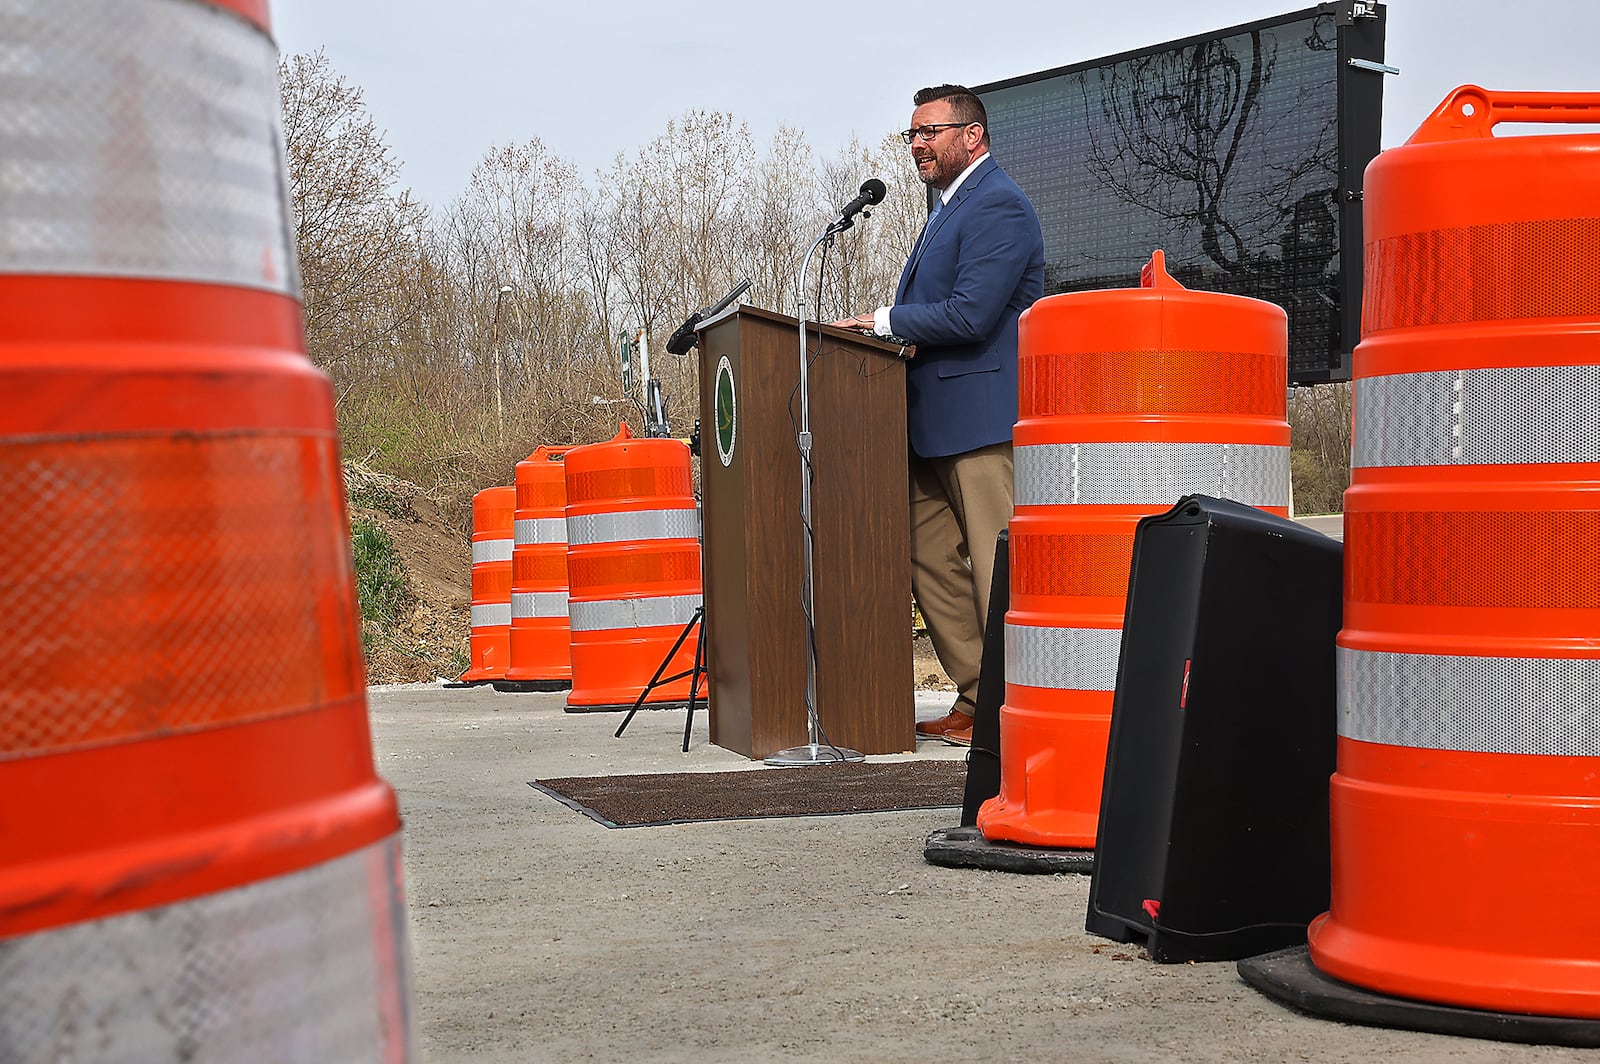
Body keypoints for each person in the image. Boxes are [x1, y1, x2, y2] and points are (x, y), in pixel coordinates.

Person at [832, 84, 1044, 746]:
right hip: (925, 427)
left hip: (981, 424)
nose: (919, 145)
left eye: (932, 132)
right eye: (913, 135)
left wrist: (883, 321)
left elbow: (974, 313)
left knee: (993, 567)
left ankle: (1016, 709)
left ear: (972, 135)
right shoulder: (946, 209)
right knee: (928, 560)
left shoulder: (1000, 205)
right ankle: (981, 694)